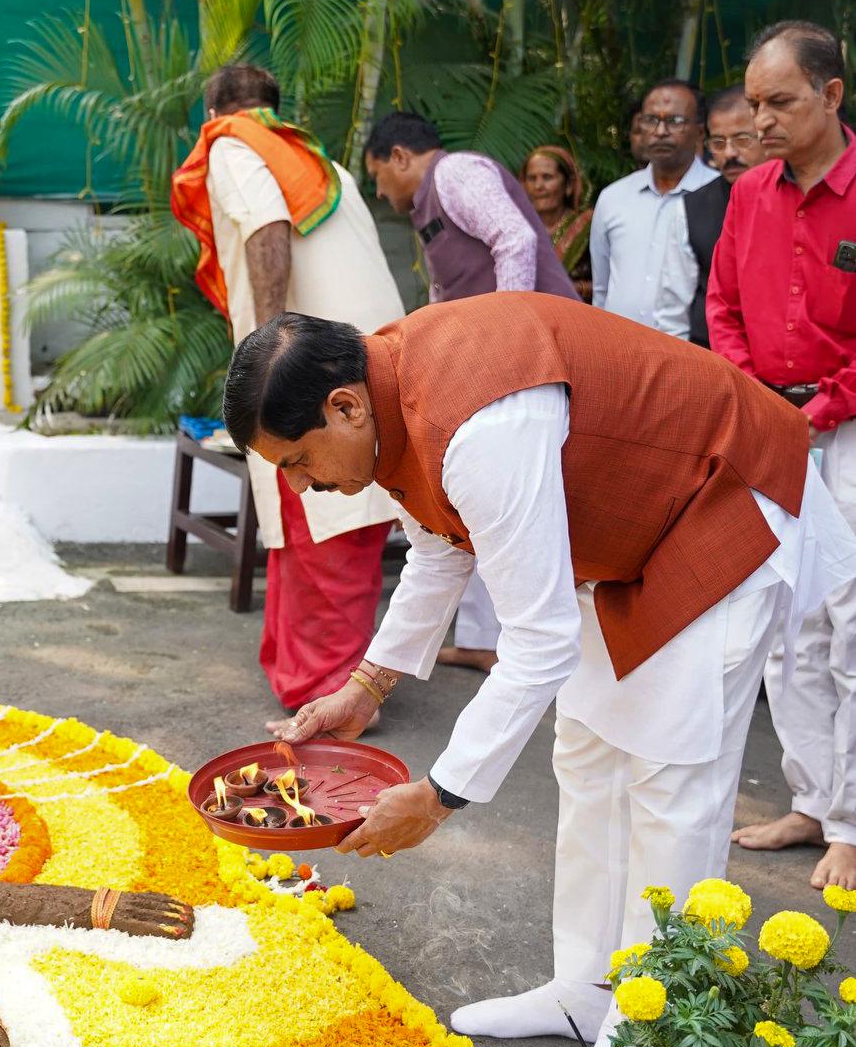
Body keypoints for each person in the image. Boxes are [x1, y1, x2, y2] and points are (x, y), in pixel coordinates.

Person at [221, 297, 856, 1047]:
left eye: (300, 462)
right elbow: (441, 546)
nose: (307, 487)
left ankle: (645, 1039)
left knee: (672, 776)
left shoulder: (479, 423)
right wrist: (365, 686)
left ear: (343, 405)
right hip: (636, 527)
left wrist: (441, 795)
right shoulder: (391, 396)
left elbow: (538, 641)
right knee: (588, 755)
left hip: (722, 494)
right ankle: (584, 990)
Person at [170, 64, 404, 714]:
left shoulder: (231, 144)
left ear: (214, 111)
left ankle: (326, 695)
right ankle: (298, 676)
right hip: (358, 358)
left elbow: (265, 226)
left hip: (309, 366)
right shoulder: (317, 159)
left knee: (325, 525)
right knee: (311, 524)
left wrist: (267, 345)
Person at [709, 21, 856, 893]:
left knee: (850, 625)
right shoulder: (748, 194)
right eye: (753, 102)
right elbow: (721, 303)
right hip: (772, 428)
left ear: (831, 95)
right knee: (785, 627)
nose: (758, 120)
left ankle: (851, 823)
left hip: (848, 426)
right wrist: (749, 394)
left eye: (779, 102)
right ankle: (811, 800)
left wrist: (827, 403)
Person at [365, 111, 579, 673]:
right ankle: (491, 642)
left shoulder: (456, 172)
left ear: (400, 157)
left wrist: (508, 336)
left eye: (378, 176)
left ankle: (542, 647)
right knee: (480, 500)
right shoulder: (430, 202)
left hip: (532, 358)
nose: (381, 190)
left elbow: (512, 238)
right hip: (498, 367)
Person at [590, 79, 714, 324]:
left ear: (699, 131)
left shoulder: (721, 196)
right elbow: (601, 289)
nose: (660, 132)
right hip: (619, 348)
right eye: (650, 120)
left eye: (674, 121)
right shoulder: (613, 198)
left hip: (692, 351)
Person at [655, 87, 764, 345]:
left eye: (742, 139)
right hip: (712, 361)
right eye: (718, 143)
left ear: (765, 135)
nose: (729, 154)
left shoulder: (794, 198)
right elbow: (672, 311)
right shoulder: (691, 208)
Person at [520, 145, 594, 302]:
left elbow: (612, 283)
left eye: (547, 177)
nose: (539, 186)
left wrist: (573, 289)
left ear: (568, 186)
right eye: (532, 178)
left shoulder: (588, 227)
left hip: (578, 315)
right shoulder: (515, 228)